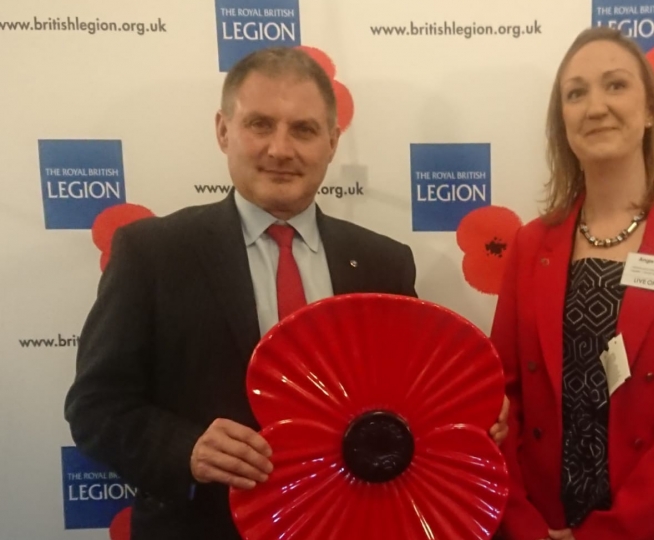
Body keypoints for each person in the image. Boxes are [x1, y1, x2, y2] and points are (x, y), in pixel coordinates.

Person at [65, 47, 508, 540]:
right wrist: (185, 449)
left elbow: (415, 402)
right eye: (259, 124)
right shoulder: (153, 252)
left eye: (303, 129)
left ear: (333, 142)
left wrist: (470, 419)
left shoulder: (384, 262)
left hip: (357, 525)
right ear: (223, 130)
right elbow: (95, 406)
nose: (280, 149)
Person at [491, 27, 654, 540]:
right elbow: (500, 398)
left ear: (651, 109)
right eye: (576, 93)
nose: (596, 106)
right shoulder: (527, 247)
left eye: (615, 85)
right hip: (543, 526)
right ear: (562, 121)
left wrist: (609, 533)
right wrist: (522, 522)